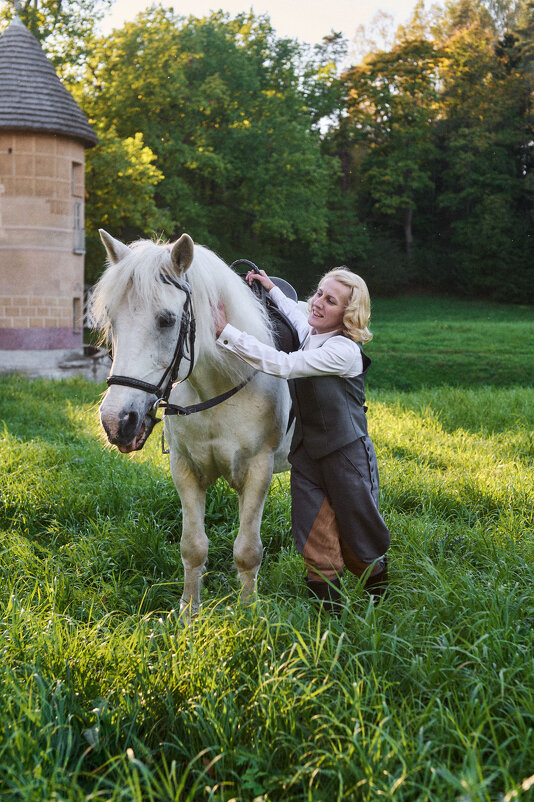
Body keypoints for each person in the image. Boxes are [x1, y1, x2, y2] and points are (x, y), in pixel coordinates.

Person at [214, 267, 390, 612]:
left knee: (359, 536)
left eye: (331, 300)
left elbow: (283, 364)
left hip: (346, 454)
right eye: (319, 293)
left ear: (347, 314)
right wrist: (270, 287)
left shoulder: (343, 351)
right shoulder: (313, 330)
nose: (319, 303)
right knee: (313, 532)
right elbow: (297, 314)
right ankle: (330, 619)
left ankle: (379, 607)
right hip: (307, 453)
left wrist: (225, 332)